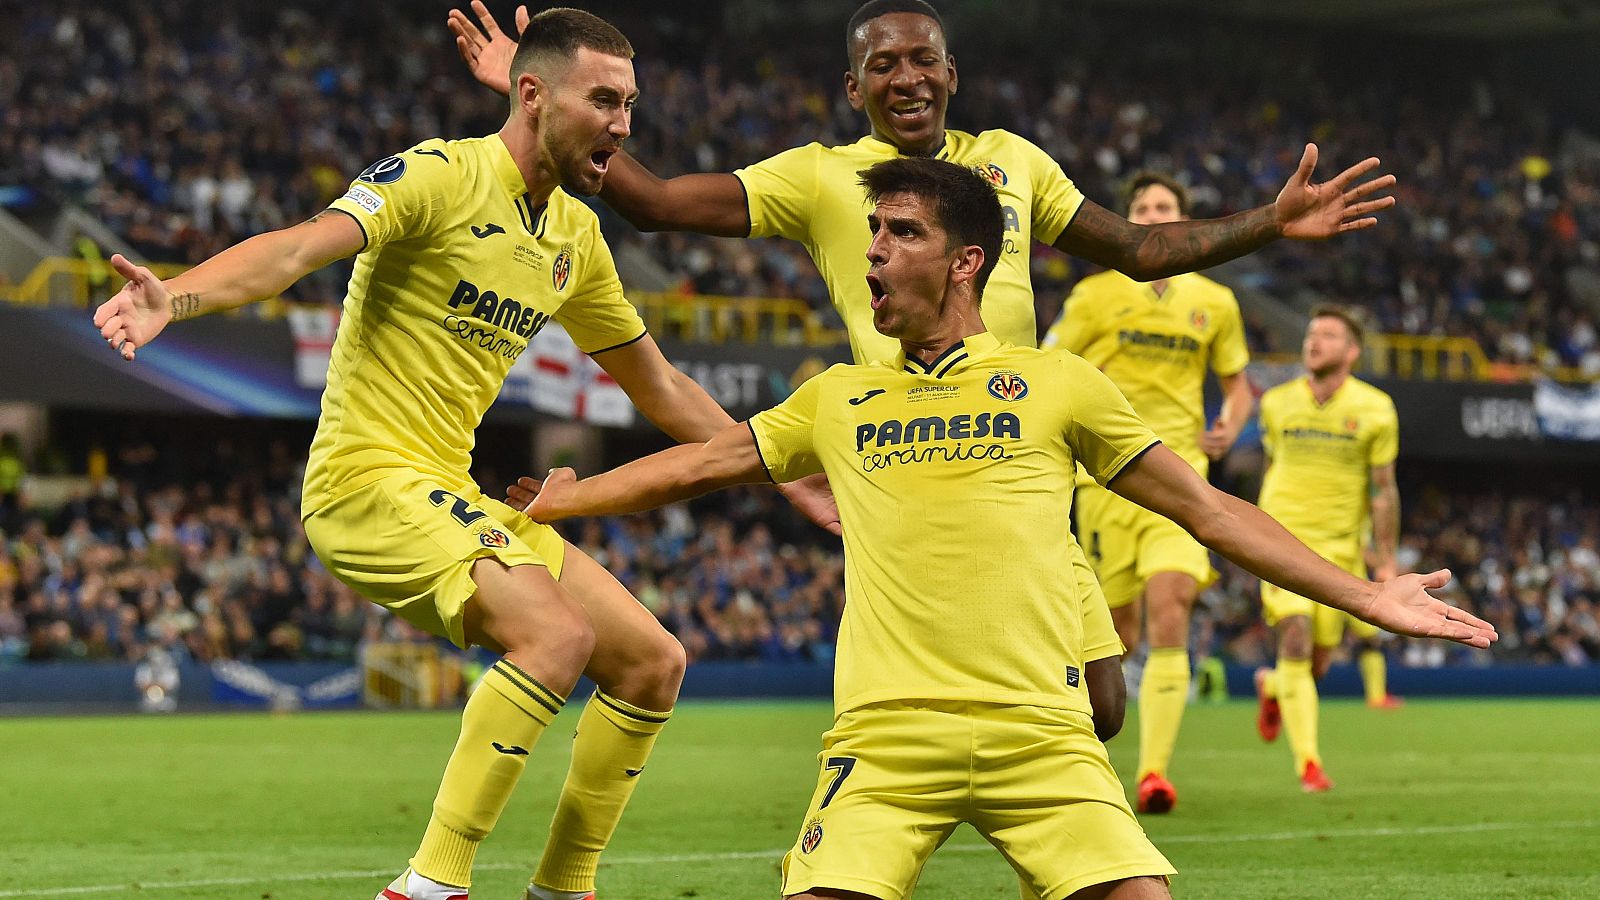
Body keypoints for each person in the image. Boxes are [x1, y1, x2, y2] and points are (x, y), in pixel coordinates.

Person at [507, 158, 1497, 900]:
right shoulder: (835, 398)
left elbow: (1208, 510)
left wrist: (1368, 595)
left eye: (898, 232)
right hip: (887, 743)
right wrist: (565, 499)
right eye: (871, 233)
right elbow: (695, 465)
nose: (873, 252)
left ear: (965, 260)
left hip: (1044, 740)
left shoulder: (1059, 385)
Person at [452, 0, 1393, 743]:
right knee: (940, 700)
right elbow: (653, 203)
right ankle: (913, 782)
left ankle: (973, 774)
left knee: (1103, 707)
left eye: (922, 59)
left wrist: (1268, 223)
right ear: (853, 85)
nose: (906, 77)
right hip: (910, 450)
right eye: (882, 64)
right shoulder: (824, 177)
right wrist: (529, 97)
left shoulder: (1012, 164)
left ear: (952, 74)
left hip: (1028, 457)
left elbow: (1140, 247)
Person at [91, 10, 831, 900]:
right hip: (363, 483)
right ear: (531, 95)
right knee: (555, 635)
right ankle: (428, 887)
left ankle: (562, 888)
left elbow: (661, 386)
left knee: (653, 660)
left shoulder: (574, 238)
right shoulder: (441, 175)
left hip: (449, 489)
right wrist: (178, 295)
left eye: (630, 104)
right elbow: (297, 248)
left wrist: (778, 468)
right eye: (603, 100)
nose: (624, 125)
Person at [1040, 173, 1255, 814]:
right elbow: (1041, 363)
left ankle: (1155, 774)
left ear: (1185, 222)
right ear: (1128, 224)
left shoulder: (1214, 301)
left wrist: (1231, 424)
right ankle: (1072, 757)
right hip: (1105, 481)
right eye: (1142, 210)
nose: (1154, 215)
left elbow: (1240, 385)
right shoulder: (1094, 296)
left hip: (1180, 473)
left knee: (1172, 606)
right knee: (1116, 635)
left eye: (1165, 207)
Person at [1251, 306, 1404, 793]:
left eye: (1328, 335)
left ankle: (1273, 686)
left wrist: (1386, 555)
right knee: (1293, 636)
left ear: (1352, 351)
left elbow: (1383, 490)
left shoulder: (1377, 408)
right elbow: (1273, 467)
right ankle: (1310, 766)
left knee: (1316, 664)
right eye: (1311, 333)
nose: (1313, 341)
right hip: (1280, 542)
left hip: (1340, 548)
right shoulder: (1275, 402)